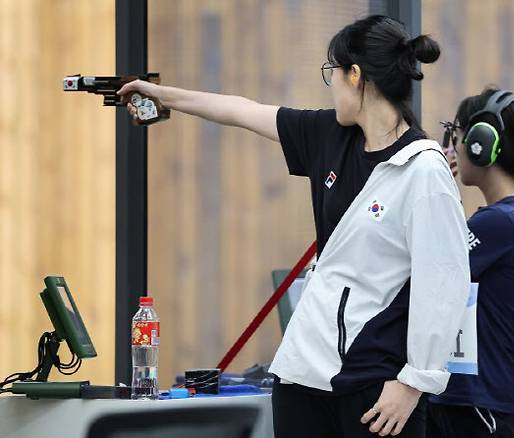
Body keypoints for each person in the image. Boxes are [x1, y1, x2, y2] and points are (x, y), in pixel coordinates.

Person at [119, 15, 470, 438]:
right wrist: (161, 94)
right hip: (302, 374)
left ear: (355, 76)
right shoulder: (328, 133)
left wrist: (415, 382)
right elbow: (241, 110)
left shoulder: (423, 168)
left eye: (332, 73)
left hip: (378, 389)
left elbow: (444, 283)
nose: (332, 84)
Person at [426, 88, 514, 438]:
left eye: (455, 137)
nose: (452, 147)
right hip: (478, 404)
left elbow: (428, 272)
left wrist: (437, 185)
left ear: (481, 143)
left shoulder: (502, 223)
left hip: (478, 409)